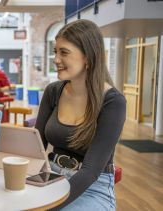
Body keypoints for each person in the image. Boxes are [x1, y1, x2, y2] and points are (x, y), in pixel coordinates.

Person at [35, 19, 126, 210]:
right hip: (51, 176)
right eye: (55, 52)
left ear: (88, 57)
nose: (56, 59)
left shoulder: (112, 102)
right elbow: (36, 148)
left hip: (93, 187)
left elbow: (90, 172)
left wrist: (48, 207)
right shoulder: (53, 92)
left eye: (64, 52)